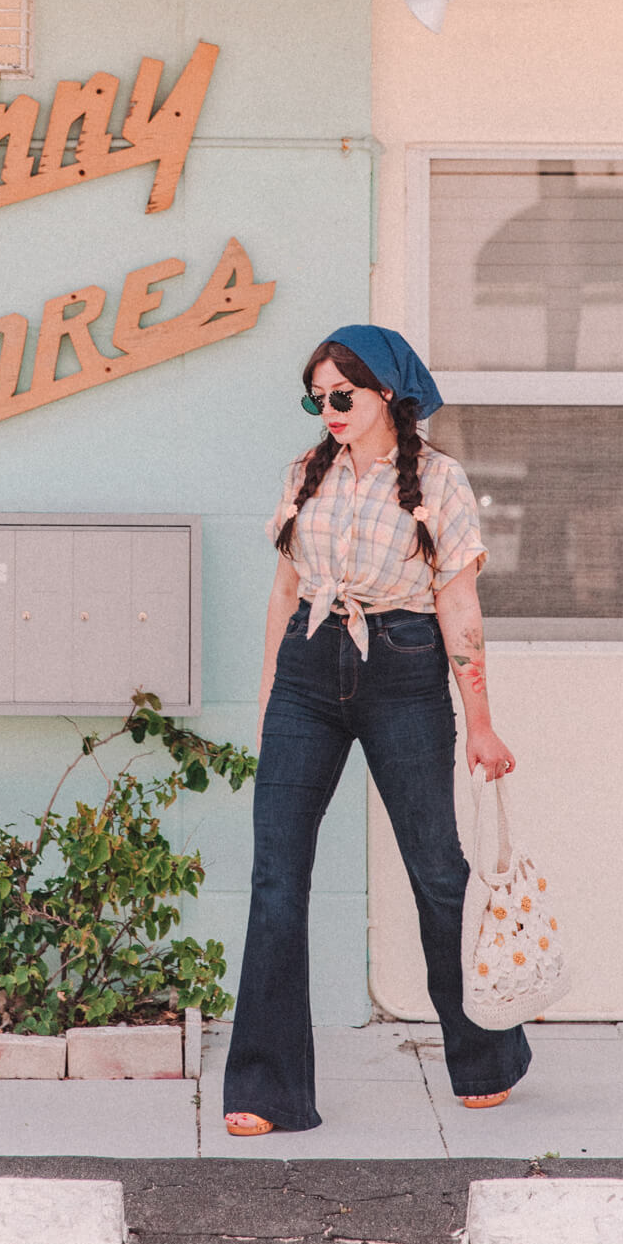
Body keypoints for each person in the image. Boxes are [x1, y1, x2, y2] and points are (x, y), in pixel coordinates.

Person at [223, 323, 531, 1137]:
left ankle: (486, 1055)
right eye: (316, 396)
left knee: (437, 871)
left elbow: (459, 604)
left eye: (341, 395)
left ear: (385, 393)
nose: (327, 409)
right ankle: (266, 1089)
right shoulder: (304, 475)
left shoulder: (438, 481)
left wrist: (482, 724)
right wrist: (267, 703)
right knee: (276, 880)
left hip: (403, 668)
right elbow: (284, 594)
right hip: (307, 672)